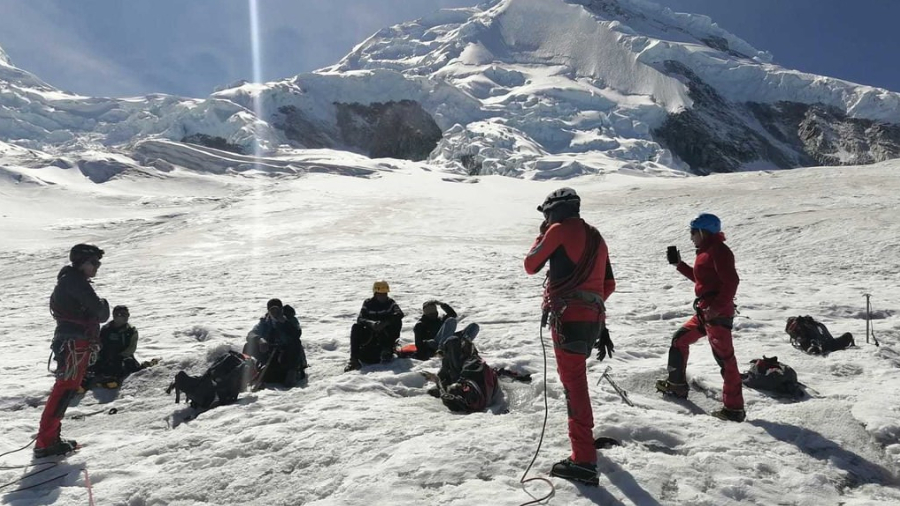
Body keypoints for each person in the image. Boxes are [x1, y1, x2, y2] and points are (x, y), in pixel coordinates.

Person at [523, 188, 616, 487]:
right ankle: (584, 446)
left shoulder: (559, 230)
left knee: (574, 386)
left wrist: (543, 235)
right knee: (577, 383)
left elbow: (530, 265)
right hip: (592, 321)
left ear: (553, 211)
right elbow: (609, 284)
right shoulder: (596, 237)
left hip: (568, 320)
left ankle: (584, 460)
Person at [657, 213, 745, 422]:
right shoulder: (707, 251)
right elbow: (703, 281)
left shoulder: (719, 251)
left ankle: (734, 409)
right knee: (680, 339)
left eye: (693, 232)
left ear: (703, 232)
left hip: (716, 315)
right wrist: (679, 265)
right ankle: (677, 386)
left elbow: (731, 282)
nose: (691, 237)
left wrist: (714, 309)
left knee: (726, 361)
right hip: (706, 314)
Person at [35, 244, 110, 458]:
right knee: (65, 389)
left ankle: (49, 439)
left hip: (71, 342)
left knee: (65, 389)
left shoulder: (70, 281)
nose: (97, 267)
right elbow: (101, 312)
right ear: (81, 263)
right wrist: (103, 304)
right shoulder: (75, 282)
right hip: (75, 343)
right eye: (93, 262)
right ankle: (46, 442)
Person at [422, 323, 499, 413]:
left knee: (454, 339)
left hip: (462, 376)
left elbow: (445, 390)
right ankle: (456, 342)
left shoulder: (460, 393)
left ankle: (451, 344)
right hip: (466, 376)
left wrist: (437, 381)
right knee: (455, 338)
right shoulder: (469, 364)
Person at [244, 298, 307, 387]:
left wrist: (284, 323)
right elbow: (251, 334)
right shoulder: (265, 321)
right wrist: (260, 340)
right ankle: (248, 372)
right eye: (271, 310)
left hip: (287, 354)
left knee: (295, 343)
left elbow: (296, 334)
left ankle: (292, 373)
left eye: (277, 310)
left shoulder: (290, 320)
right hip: (270, 351)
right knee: (248, 345)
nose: (274, 313)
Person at [82, 305, 147, 390]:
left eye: (124, 314)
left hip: (123, 356)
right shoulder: (106, 329)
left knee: (124, 365)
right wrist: (100, 355)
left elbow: (131, 347)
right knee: (95, 365)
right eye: (119, 314)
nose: (122, 317)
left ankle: (113, 380)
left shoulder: (131, 330)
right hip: (105, 355)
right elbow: (99, 343)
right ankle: (84, 382)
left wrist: (120, 356)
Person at [344, 281, 404, 372]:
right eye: (381, 294)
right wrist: (371, 324)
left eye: (385, 294)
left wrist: (385, 323)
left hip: (386, 335)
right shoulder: (368, 303)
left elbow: (399, 314)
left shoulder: (390, 303)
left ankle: (387, 349)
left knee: (397, 321)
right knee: (356, 327)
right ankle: (353, 360)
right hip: (371, 335)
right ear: (375, 294)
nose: (383, 296)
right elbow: (360, 319)